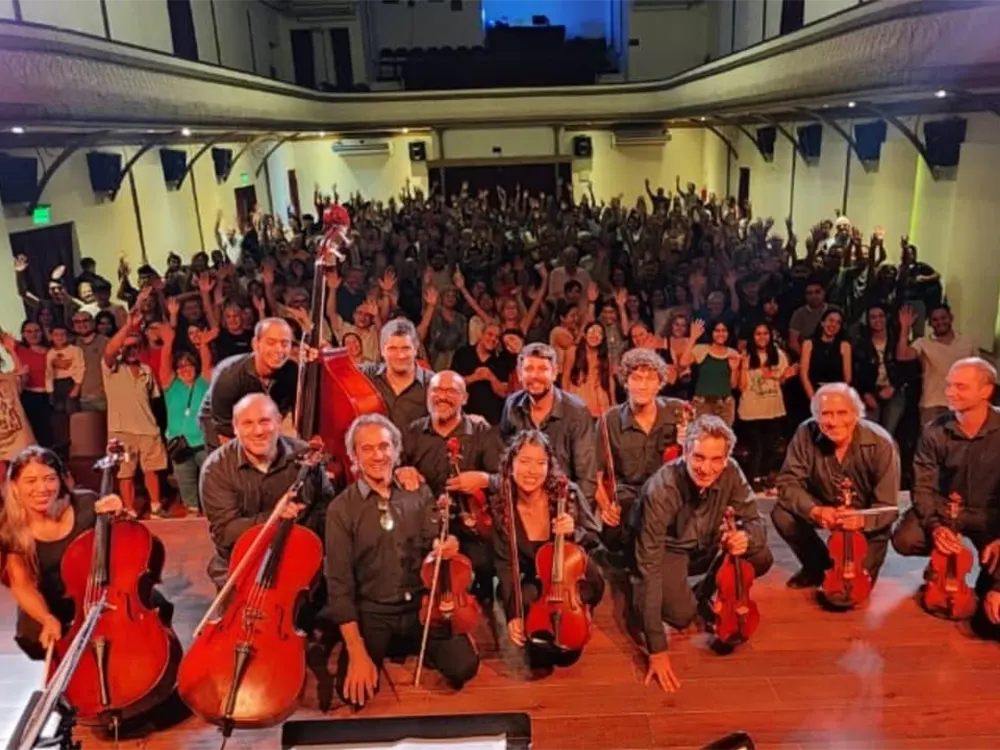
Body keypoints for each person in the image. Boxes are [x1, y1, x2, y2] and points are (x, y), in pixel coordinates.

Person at [324, 414, 479, 709]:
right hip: (374, 612)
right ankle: (381, 647)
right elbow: (339, 585)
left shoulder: (418, 492)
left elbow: (437, 541)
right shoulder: (340, 510)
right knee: (354, 694)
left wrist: (448, 546)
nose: (378, 455)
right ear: (354, 455)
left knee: (463, 668)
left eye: (384, 446)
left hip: (421, 606)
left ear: (396, 450)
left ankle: (408, 644)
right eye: (367, 449)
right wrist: (357, 652)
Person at [634, 416, 772, 693]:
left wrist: (745, 538)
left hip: (707, 545)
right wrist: (657, 650)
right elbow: (647, 567)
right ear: (685, 451)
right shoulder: (662, 489)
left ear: (726, 459)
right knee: (681, 616)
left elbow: (756, 522)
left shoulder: (731, 471)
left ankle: (708, 590)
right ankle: (647, 598)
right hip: (668, 550)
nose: (706, 468)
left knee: (760, 556)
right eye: (698, 457)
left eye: (715, 460)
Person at [0, 446, 173, 659]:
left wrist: (121, 519)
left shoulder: (86, 504)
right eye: (31, 481)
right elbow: (22, 586)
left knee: (157, 606)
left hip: (100, 591)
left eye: (50, 479)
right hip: (51, 600)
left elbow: (126, 549)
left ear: (61, 480)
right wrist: (47, 618)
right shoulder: (10, 528)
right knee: (32, 634)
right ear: (15, 486)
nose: (42, 488)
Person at [891, 358, 1000, 638]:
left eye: (961, 386)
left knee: (987, 616)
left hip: (991, 515)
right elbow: (923, 486)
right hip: (944, 510)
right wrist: (935, 526)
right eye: (949, 385)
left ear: (986, 391)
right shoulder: (935, 430)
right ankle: (938, 566)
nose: (950, 392)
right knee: (905, 538)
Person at [772, 383, 900, 595]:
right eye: (826, 414)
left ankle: (851, 566)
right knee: (782, 513)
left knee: (847, 595)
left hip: (865, 518)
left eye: (842, 413)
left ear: (857, 414)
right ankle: (818, 567)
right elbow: (787, 483)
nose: (834, 421)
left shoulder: (882, 443)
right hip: (824, 508)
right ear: (816, 417)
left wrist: (861, 520)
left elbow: (888, 507)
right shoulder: (805, 433)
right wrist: (816, 511)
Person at [491, 430, 604, 667]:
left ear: (549, 466)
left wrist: (574, 531)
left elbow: (593, 536)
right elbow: (505, 566)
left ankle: (582, 612)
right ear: (510, 465)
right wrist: (514, 615)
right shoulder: (504, 508)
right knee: (539, 655)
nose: (531, 471)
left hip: (573, 580)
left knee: (568, 656)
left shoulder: (567, 494)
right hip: (538, 580)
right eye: (524, 461)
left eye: (540, 463)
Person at [199, 393, 333, 589]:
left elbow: (325, 510)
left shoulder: (306, 456)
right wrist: (274, 518)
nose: (258, 431)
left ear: (278, 422)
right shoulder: (216, 469)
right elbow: (225, 534)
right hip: (242, 568)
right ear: (235, 428)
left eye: (265, 421)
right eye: (247, 424)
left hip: (297, 562)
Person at [397, 371, 502, 600]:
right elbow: (393, 470)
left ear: (464, 398)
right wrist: (401, 471)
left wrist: (483, 478)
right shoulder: (412, 432)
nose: (442, 396)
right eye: (437, 390)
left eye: (452, 391)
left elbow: (504, 478)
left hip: (469, 528)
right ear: (428, 395)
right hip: (423, 528)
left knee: (484, 567)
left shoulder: (482, 432)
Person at [500, 343, 598, 538]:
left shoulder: (576, 412)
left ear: (554, 373)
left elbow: (586, 476)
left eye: (542, 369)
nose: (535, 376)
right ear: (519, 374)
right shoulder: (512, 404)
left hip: (560, 503)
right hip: (522, 502)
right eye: (529, 369)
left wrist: (573, 518)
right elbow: (505, 458)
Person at [596, 348, 687, 552]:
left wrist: (688, 443)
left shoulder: (678, 412)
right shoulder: (609, 420)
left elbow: (698, 460)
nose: (642, 386)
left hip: (668, 494)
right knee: (614, 532)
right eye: (636, 378)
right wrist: (606, 508)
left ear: (659, 384)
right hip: (628, 495)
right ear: (626, 383)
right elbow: (594, 475)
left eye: (650, 379)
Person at [198, 317, 299, 450]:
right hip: (220, 424)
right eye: (271, 342)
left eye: (285, 344)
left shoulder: (291, 371)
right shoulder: (229, 377)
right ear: (255, 344)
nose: (279, 350)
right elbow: (225, 434)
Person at [897, 304, 978, 426]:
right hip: (933, 405)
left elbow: (978, 374)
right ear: (930, 323)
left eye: (943, 318)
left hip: (962, 405)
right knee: (930, 443)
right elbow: (902, 356)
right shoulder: (923, 343)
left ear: (951, 318)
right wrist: (905, 328)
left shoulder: (968, 342)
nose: (940, 322)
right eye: (935, 319)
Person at [359, 318, 435, 428]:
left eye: (406, 348)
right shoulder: (367, 374)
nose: (400, 355)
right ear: (382, 350)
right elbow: (336, 371)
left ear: (416, 349)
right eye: (392, 348)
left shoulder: (433, 384)